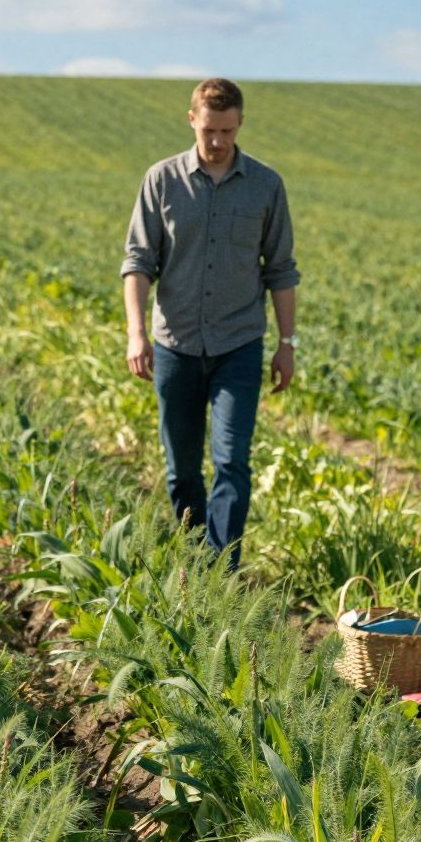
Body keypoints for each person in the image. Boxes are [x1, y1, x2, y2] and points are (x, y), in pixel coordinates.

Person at [121, 76, 299, 565]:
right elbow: (138, 263)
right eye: (209, 131)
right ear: (192, 120)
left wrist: (288, 343)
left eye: (227, 131)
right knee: (181, 470)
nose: (218, 142)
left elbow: (281, 269)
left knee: (231, 460)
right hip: (175, 344)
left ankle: (223, 570)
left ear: (239, 123)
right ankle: (193, 558)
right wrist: (137, 334)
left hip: (238, 345)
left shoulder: (266, 185)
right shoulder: (161, 180)